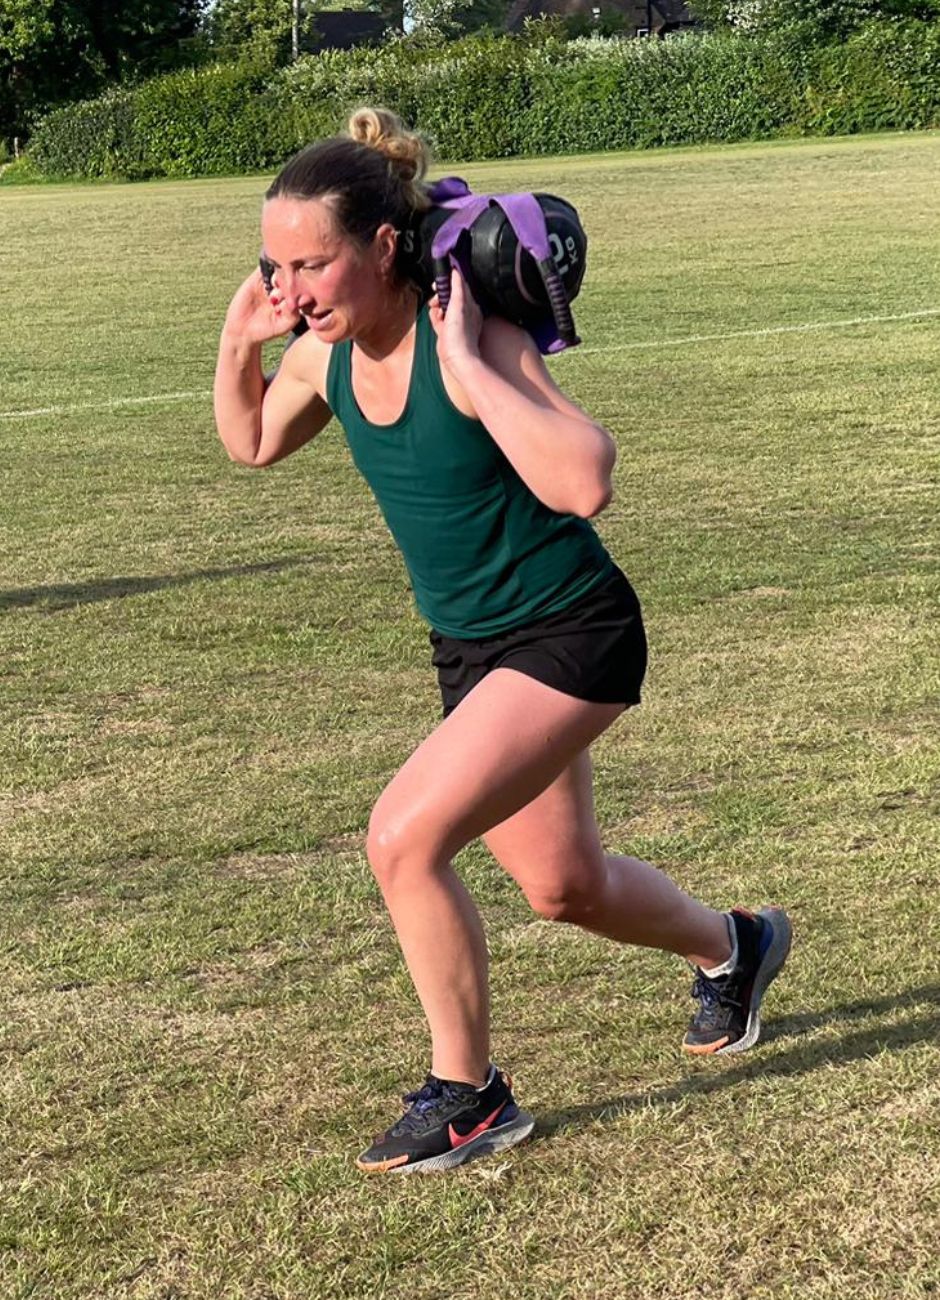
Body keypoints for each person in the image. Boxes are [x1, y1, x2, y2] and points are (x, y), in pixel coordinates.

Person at [213, 106, 792, 1176]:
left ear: (384, 247)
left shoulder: (476, 339)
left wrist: (474, 372)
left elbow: (584, 479)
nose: (292, 288)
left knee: (401, 838)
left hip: (571, 631)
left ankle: (469, 1095)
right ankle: (736, 944)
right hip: (475, 652)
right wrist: (237, 339)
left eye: (313, 264)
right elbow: (248, 442)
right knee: (562, 886)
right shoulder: (319, 358)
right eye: (274, 264)